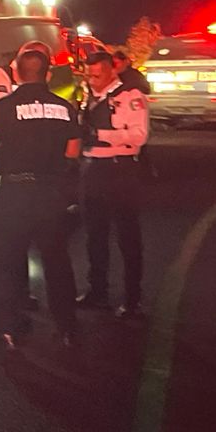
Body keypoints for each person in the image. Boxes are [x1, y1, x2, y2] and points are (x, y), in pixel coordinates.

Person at [0, 49, 82, 351]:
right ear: (47, 73)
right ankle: (66, 327)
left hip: (14, 194)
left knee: (6, 263)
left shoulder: (5, 107)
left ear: (17, 75)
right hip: (50, 195)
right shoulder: (64, 107)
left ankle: (8, 328)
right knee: (57, 262)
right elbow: (72, 151)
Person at [77, 51, 150, 318]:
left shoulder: (130, 97)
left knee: (127, 237)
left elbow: (139, 136)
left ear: (112, 72)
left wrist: (100, 135)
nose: (92, 80)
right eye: (89, 74)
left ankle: (133, 300)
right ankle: (97, 291)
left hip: (120, 171)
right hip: (92, 170)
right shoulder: (88, 96)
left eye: (97, 75)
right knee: (94, 236)